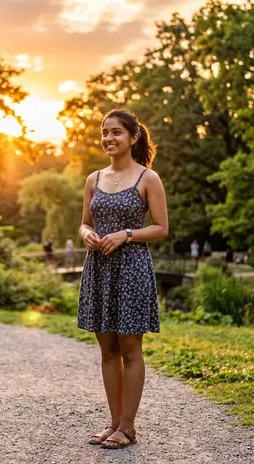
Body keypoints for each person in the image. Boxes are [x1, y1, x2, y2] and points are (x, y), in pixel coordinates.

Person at [78, 109, 168, 449]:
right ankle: (113, 423)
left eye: (116, 132)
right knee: (107, 349)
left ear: (133, 138)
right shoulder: (93, 179)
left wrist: (126, 234)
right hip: (99, 268)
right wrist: (88, 234)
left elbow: (161, 228)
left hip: (132, 269)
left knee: (130, 348)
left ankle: (128, 427)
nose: (109, 138)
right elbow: (84, 222)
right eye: (105, 132)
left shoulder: (148, 178)